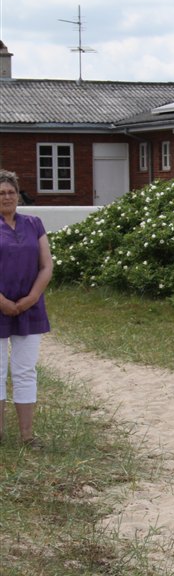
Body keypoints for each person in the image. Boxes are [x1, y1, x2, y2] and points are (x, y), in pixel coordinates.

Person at [0, 170, 52, 449]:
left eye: (11, 192)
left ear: (18, 195)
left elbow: (46, 265)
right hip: (0, 304)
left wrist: (31, 298)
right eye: (1, 193)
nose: (7, 197)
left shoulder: (34, 223)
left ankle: (27, 435)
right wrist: (3, 302)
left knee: (25, 371)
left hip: (29, 308)